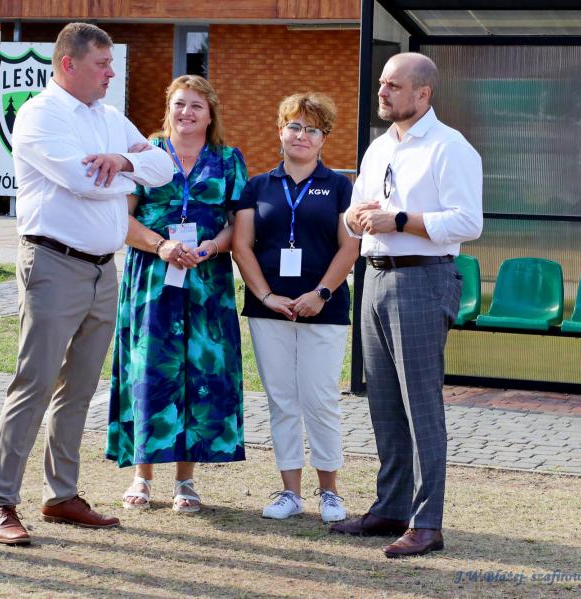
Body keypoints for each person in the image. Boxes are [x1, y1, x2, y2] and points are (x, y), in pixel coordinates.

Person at [0, 23, 173, 544]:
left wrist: (124, 162)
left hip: (102, 268)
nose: (111, 73)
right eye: (101, 64)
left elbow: (163, 168)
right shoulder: (40, 114)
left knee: (80, 387)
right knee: (35, 383)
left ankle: (60, 494)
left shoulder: (109, 117)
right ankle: (1, 501)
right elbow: (82, 180)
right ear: (68, 64)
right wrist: (124, 173)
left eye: (111, 64)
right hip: (53, 264)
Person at [329, 53, 482, 557]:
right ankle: (391, 507)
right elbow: (354, 216)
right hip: (374, 277)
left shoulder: (449, 147)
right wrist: (355, 218)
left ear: (423, 93)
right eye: (381, 84)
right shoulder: (379, 148)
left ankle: (427, 523)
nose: (382, 92)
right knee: (384, 403)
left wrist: (399, 220)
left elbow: (468, 222)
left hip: (422, 278)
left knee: (421, 406)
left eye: (393, 86)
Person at [106, 75, 248, 513]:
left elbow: (237, 225)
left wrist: (211, 247)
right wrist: (162, 245)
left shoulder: (228, 160)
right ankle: (142, 475)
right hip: (153, 278)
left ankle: (186, 480)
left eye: (196, 106)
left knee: (200, 373)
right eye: (179, 104)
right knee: (150, 368)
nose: (186, 113)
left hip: (207, 281)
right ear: (168, 108)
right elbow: (122, 219)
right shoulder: (145, 154)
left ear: (210, 114)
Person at [232, 93, 358, 523]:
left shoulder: (339, 186)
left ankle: (330, 493)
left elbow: (350, 247)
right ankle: (290, 492)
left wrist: (320, 293)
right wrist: (267, 296)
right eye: (295, 126)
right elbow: (241, 246)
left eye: (312, 129)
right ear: (280, 131)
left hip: (324, 309)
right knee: (282, 399)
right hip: (269, 310)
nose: (302, 135)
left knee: (320, 398)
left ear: (324, 138)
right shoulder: (257, 186)